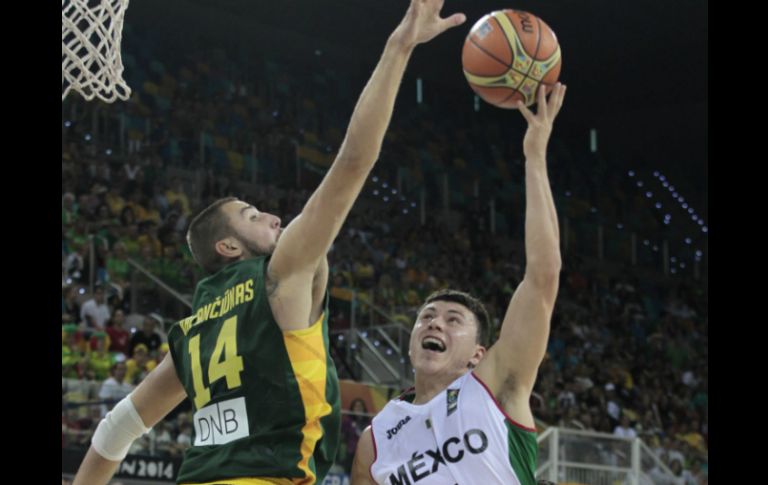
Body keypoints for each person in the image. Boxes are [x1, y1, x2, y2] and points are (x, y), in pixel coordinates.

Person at [72, 1, 467, 484]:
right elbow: (352, 163)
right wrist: (399, 47)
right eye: (252, 215)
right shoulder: (282, 272)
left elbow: (114, 432)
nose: (274, 216)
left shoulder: (193, 332)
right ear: (229, 248)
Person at [351, 83, 567, 484]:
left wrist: (535, 157)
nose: (435, 323)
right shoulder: (375, 438)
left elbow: (543, 276)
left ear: (477, 354)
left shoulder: (496, 382)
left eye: (453, 320)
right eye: (427, 317)